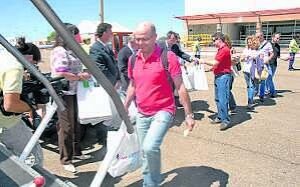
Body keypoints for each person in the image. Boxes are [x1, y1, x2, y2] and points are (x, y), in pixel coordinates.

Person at [124, 22, 195, 187]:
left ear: (155, 37)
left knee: (149, 147)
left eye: (145, 39)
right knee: (144, 152)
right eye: (137, 39)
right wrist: (125, 106)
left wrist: (189, 114)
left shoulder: (167, 57)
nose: (140, 43)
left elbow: (180, 86)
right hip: (142, 112)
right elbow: (132, 85)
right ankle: (148, 183)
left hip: (163, 110)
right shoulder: (133, 59)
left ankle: (151, 184)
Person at [50, 24, 91, 173]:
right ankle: (66, 159)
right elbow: (62, 73)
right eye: (75, 34)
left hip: (75, 92)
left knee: (76, 123)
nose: (78, 38)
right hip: (64, 93)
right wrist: (81, 77)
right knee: (66, 127)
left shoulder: (71, 50)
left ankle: (76, 151)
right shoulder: (60, 51)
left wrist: (83, 74)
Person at [0, 45, 43, 166]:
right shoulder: (14, 67)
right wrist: (29, 108)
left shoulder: (3, 59)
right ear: (29, 58)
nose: (30, 69)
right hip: (6, 123)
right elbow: (10, 105)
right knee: (34, 156)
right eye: (33, 64)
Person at [89, 22, 121, 144]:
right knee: (105, 111)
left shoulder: (106, 46)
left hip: (113, 83)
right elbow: (99, 68)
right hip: (105, 85)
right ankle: (103, 138)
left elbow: (114, 64)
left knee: (113, 110)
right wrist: (113, 82)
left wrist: (118, 79)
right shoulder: (95, 48)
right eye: (110, 32)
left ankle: (111, 131)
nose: (112, 34)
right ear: (104, 33)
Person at [199, 32, 232, 131]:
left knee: (223, 100)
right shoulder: (220, 50)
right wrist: (212, 69)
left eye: (214, 40)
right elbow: (218, 64)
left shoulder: (224, 50)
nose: (213, 42)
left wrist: (203, 61)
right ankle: (220, 117)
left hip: (223, 77)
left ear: (219, 39)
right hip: (218, 76)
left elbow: (215, 62)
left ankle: (225, 120)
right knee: (218, 99)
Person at [241, 35, 261, 109]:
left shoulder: (257, 51)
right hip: (245, 70)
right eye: (248, 42)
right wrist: (244, 57)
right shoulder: (245, 50)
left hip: (253, 70)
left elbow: (259, 60)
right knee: (249, 86)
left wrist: (251, 57)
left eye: (250, 42)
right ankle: (251, 96)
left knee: (251, 85)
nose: (249, 43)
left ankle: (250, 102)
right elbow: (242, 59)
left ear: (254, 42)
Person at [255, 32, 274, 101]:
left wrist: (268, 59)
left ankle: (261, 95)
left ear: (262, 36)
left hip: (264, 64)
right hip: (256, 64)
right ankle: (256, 91)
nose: (257, 38)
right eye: (256, 37)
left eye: (258, 37)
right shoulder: (255, 43)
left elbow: (272, 54)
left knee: (263, 79)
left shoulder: (267, 44)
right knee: (256, 79)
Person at [224, 34, 237, 113]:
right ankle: (231, 106)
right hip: (224, 72)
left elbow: (235, 62)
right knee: (227, 90)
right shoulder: (221, 49)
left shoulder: (232, 49)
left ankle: (232, 106)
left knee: (227, 90)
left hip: (230, 72)